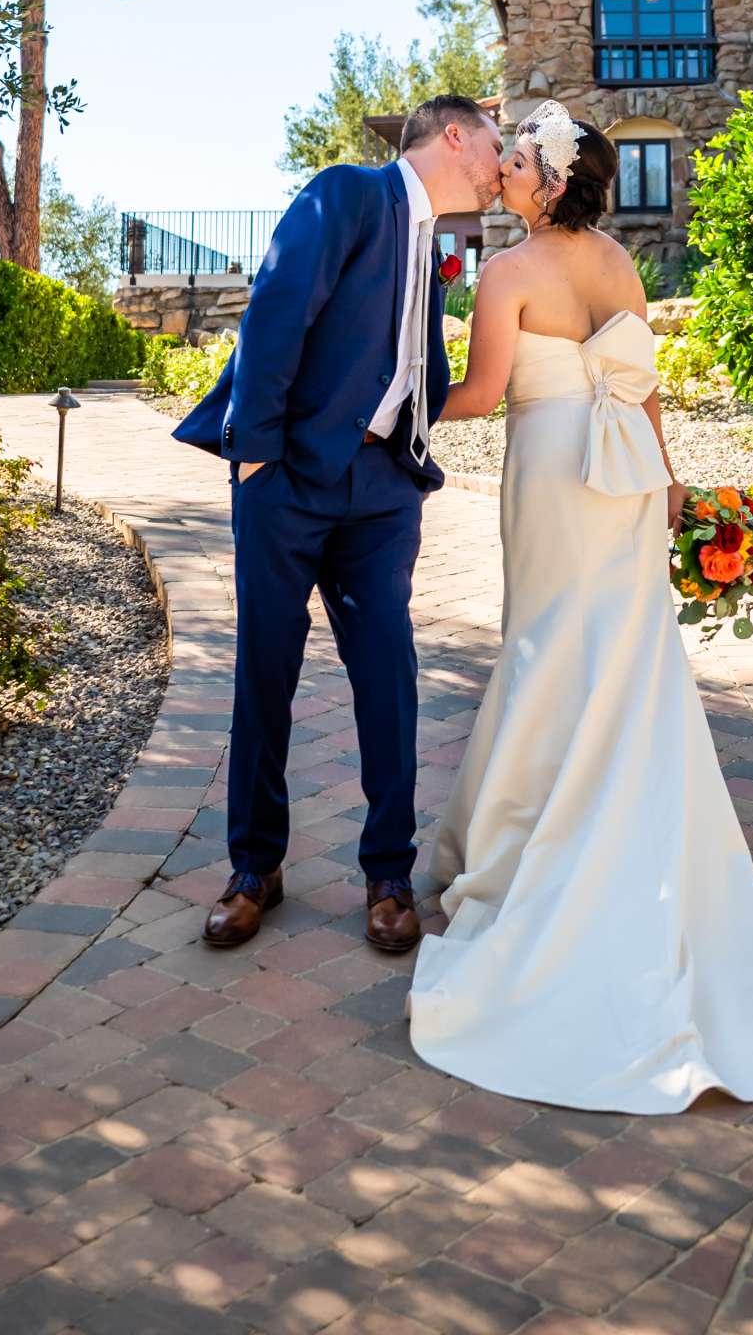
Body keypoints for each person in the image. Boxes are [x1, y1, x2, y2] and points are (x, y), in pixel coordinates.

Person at [406, 101, 753, 1112]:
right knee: (628, 648)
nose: (504, 172)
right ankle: (627, 825)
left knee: (547, 644)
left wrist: (400, 394)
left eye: (519, 162)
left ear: (546, 179)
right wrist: (670, 484)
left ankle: (532, 847)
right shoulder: (622, 266)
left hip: (550, 472)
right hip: (628, 478)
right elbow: (645, 389)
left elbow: (487, 393)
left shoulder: (505, 274)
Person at [172, 94, 504, 954]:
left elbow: (409, 362)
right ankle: (255, 869)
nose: (503, 163)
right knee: (266, 672)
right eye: (496, 143)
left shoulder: (437, 241)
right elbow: (277, 310)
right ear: (455, 133)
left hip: (382, 489)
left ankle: (387, 876)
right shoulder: (348, 193)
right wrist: (254, 452)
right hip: (287, 481)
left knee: (389, 670)